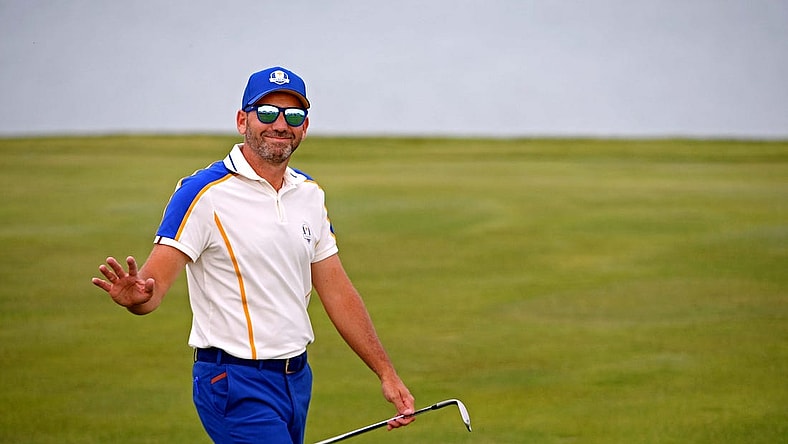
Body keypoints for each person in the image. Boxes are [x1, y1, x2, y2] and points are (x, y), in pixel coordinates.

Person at [92, 66, 415, 444]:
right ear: (242, 119)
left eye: (293, 115)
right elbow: (152, 287)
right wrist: (136, 299)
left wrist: (386, 374)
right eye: (267, 112)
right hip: (232, 382)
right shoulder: (202, 192)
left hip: (297, 380)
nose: (280, 124)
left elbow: (338, 291)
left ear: (305, 127)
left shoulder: (309, 193)